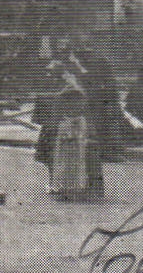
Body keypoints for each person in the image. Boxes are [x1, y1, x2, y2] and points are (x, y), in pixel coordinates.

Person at [44, 59, 104, 201]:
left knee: (73, 158)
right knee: (64, 158)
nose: (50, 78)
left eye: (51, 74)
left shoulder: (70, 88)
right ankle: (64, 186)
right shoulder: (63, 86)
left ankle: (74, 188)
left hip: (73, 125)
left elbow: (76, 107)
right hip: (68, 125)